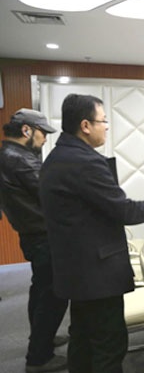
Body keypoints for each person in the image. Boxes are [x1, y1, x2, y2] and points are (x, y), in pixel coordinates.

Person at [39, 94, 144, 373]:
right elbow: (125, 211)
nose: (107, 126)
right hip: (95, 274)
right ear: (86, 125)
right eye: (103, 120)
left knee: (83, 339)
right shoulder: (85, 162)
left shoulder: (59, 156)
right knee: (108, 346)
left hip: (77, 269)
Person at [0, 109, 69, 373]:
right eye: (42, 133)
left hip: (32, 235)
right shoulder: (20, 160)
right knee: (53, 295)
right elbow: (52, 195)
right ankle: (39, 358)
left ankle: (42, 340)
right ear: (26, 130)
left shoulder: (8, 155)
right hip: (44, 236)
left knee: (40, 289)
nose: (44, 139)